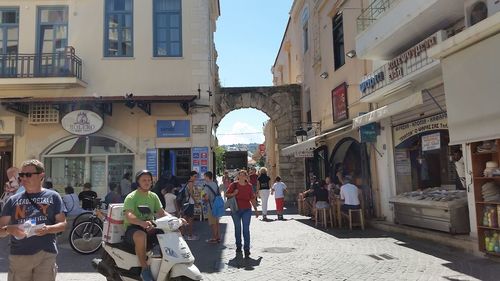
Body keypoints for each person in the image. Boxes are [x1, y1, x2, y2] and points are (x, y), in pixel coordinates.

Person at [0, 159, 66, 281]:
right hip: (19, 255)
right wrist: (9, 229)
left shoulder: (53, 196)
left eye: (28, 175)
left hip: (46, 253)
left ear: (41, 176)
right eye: (21, 175)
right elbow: (1, 230)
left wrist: (48, 229)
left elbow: (62, 224)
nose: (24, 178)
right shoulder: (13, 200)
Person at [123, 170, 179, 281]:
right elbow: (128, 215)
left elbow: (162, 212)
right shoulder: (131, 197)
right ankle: (145, 269)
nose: (147, 182)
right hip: (134, 228)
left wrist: (176, 220)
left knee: (169, 233)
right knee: (141, 235)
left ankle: (168, 265)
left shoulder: (153, 196)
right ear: (138, 181)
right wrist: (141, 222)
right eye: (144, 180)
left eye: (149, 180)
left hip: (151, 226)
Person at [225, 170, 259, 258]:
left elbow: (252, 198)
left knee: (246, 229)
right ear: (238, 176)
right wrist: (234, 193)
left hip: (247, 210)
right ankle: (238, 246)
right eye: (240, 175)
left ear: (246, 177)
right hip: (235, 210)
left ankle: (247, 248)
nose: (242, 177)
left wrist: (256, 209)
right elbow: (227, 195)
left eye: (244, 175)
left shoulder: (249, 186)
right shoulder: (234, 185)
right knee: (237, 229)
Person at [178, 171, 198, 240]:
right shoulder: (191, 183)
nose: (196, 178)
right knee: (190, 220)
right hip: (190, 203)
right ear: (191, 176)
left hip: (186, 203)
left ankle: (183, 235)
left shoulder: (187, 183)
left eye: (196, 176)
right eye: (194, 176)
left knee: (185, 219)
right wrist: (196, 202)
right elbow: (191, 194)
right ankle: (190, 235)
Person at [202, 171, 222, 243]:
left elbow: (206, 198)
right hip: (217, 205)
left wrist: (203, 197)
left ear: (207, 177)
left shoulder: (206, 186)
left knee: (213, 223)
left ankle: (214, 238)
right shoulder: (215, 184)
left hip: (211, 206)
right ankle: (218, 237)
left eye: (204, 176)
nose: (204, 178)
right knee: (216, 222)